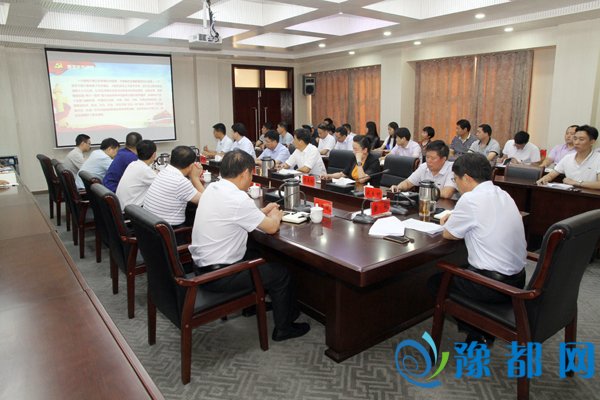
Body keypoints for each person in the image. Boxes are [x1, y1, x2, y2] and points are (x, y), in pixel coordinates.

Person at [189, 149, 310, 342]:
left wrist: (263, 210)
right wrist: (275, 216)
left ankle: (251, 306)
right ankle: (284, 328)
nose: (251, 178)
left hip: (201, 267)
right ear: (245, 173)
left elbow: (237, 214)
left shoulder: (213, 188)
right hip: (219, 277)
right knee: (281, 274)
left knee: (254, 251)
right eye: (251, 174)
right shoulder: (238, 198)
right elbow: (271, 228)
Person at [430, 152, 526, 345]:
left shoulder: (470, 199)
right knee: (462, 265)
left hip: (492, 285)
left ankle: (479, 332)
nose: (456, 184)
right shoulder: (503, 193)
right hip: (518, 280)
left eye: (456, 179)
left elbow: (449, 234)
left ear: (466, 178)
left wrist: (449, 222)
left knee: (434, 282)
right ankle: (480, 331)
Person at [143, 146, 204, 227]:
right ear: (191, 166)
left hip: (151, 224)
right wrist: (195, 178)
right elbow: (206, 201)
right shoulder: (180, 181)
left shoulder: (164, 171)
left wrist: (191, 175)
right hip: (169, 230)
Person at [537, 125, 600, 189]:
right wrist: (544, 179)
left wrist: (576, 183)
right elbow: (551, 175)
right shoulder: (568, 158)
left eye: (581, 139)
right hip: (569, 193)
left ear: (592, 142)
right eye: (575, 139)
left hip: (590, 194)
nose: (576, 142)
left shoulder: (598, 158)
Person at [390, 140, 457, 198]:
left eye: (433, 158)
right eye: (427, 157)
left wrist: (424, 192)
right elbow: (408, 183)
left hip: (446, 206)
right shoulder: (424, 167)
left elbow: (446, 193)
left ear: (443, 159)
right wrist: (398, 187)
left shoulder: (452, 169)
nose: (429, 161)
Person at [116, 140, 157, 209]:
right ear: (154, 155)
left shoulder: (133, 164)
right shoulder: (145, 170)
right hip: (132, 211)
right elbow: (162, 184)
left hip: (123, 207)